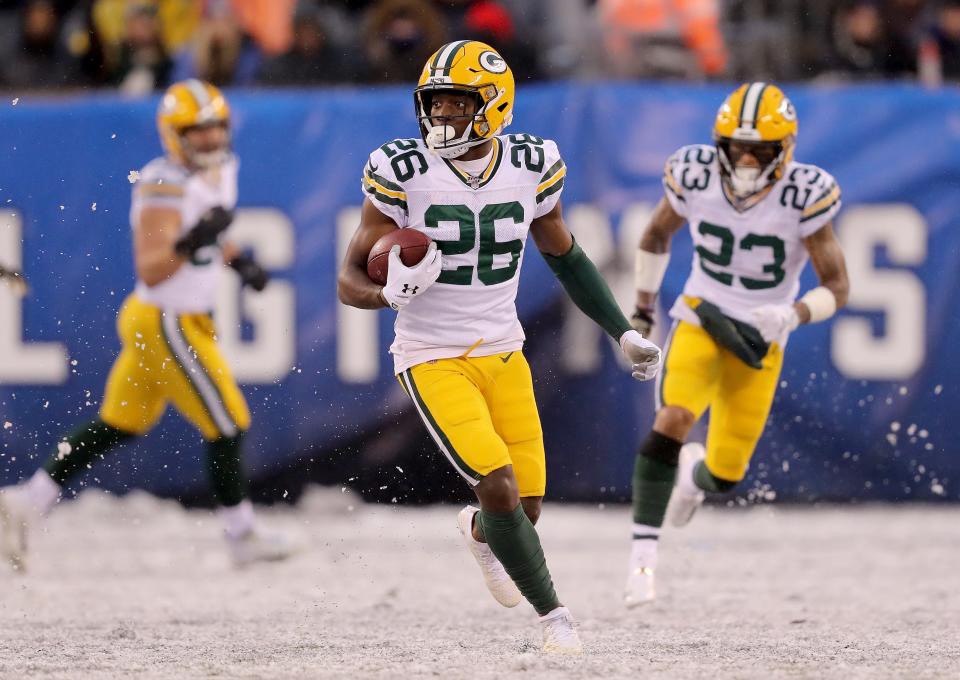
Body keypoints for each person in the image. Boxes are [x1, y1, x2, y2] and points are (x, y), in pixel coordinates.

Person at [338, 40, 661, 653]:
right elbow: (348, 281)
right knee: (498, 484)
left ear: (493, 105)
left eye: (457, 106)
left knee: (525, 508)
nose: (441, 119)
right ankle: (554, 616)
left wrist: (621, 329)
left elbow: (564, 255)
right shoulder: (403, 170)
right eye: (434, 106)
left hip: (504, 351)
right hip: (433, 355)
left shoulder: (532, 164)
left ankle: (481, 536)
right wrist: (390, 295)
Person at [0, 79, 290, 572]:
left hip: (178, 317)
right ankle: (240, 535)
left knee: (119, 422)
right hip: (164, 319)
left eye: (215, 128)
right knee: (227, 423)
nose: (210, 139)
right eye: (196, 131)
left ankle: (27, 501)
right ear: (173, 134)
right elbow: (153, 266)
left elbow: (210, 228)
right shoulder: (163, 180)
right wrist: (196, 238)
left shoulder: (222, 171)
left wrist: (235, 259)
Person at [623, 82, 849, 607]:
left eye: (761, 150)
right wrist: (643, 309)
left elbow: (838, 287)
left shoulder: (804, 193)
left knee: (726, 474)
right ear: (717, 143)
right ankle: (642, 559)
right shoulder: (695, 172)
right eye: (736, 147)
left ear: (785, 150)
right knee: (673, 417)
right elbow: (656, 235)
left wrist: (792, 313)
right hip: (703, 314)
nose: (746, 159)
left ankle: (695, 478)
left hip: (762, 335)